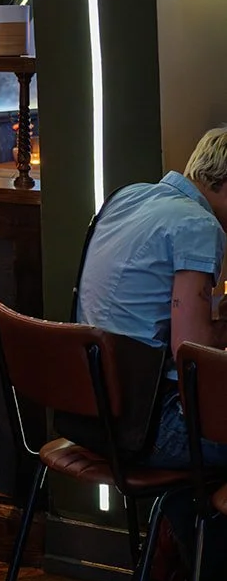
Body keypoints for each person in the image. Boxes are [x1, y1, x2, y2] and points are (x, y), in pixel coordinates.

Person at [76, 128, 227, 468]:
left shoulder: (129, 197)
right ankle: (195, 519)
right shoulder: (199, 226)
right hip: (148, 427)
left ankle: (182, 519)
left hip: (90, 411)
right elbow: (192, 352)